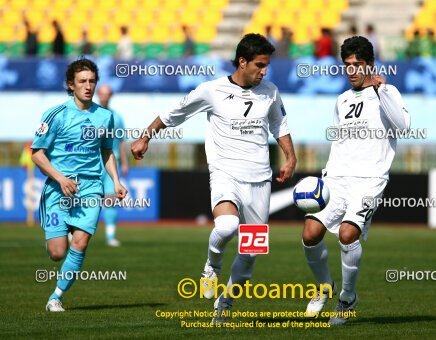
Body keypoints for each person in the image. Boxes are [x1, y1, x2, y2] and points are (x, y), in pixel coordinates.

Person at [131, 33, 297, 324]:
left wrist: (291, 157)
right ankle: (212, 266)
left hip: (260, 179)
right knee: (227, 224)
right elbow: (173, 114)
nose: (264, 71)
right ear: (242, 62)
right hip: (225, 173)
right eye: (259, 65)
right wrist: (145, 138)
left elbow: (279, 124)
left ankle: (225, 303)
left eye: (267, 65)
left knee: (249, 255)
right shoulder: (212, 90)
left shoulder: (270, 91)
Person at [301, 36, 410, 325]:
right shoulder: (342, 100)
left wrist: (382, 88)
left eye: (357, 65)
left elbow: (403, 126)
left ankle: (347, 298)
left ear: (370, 65)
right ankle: (325, 286)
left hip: (369, 180)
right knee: (310, 232)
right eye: (346, 65)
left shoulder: (387, 92)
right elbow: (339, 141)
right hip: (337, 178)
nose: (351, 70)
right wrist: (326, 176)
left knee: (348, 234)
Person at [31, 58, 127, 312]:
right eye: (82, 81)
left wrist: (116, 181)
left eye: (92, 81)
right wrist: (60, 178)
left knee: (81, 243)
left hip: (91, 188)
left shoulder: (106, 117)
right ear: (71, 85)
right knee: (56, 253)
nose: (88, 86)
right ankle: (60, 237)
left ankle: (56, 297)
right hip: (58, 188)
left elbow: (107, 152)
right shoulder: (55, 115)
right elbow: (37, 154)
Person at [97, 84, 129, 246]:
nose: (105, 97)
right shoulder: (90, 115)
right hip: (92, 164)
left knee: (110, 199)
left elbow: (122, 142)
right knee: (83, 199)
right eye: (102, 94)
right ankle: (72, 233)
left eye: (107, 94)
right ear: (98, 94)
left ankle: (110, 236)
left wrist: (124, 162)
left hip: (111, 163)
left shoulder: (117, 118)